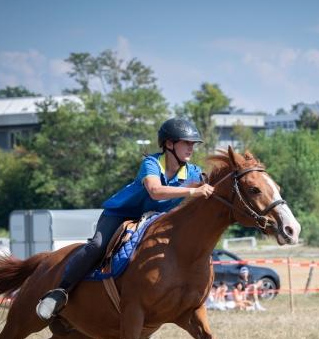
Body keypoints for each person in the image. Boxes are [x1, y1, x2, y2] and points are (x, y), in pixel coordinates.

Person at [36, 118, 215, 320]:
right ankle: (59, 293)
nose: (191, 148)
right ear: (169, 144)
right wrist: (193, 192)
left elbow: (211, 190)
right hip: (120, 215)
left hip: (153, 220)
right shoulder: (152, 163)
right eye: (186, 143)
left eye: (193, 144)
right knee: (96, 246)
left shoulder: (193, 171)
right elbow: (155, 191)